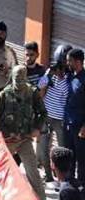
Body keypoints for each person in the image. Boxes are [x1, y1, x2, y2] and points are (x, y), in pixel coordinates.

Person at [0, 65, 48, 200]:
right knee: (1, 170)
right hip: (9, 140)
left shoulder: (32, 93)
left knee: (32, 170)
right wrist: (8, 132)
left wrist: (37, 128)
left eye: (23, 79)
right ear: (12, 78)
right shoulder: (4, 94)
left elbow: (42, 113)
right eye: (17, 79)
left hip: (24, 139)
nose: (20, 83)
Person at [37, 44, 71, 183]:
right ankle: (48, 176)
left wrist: (61, 77)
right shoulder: (51, 72)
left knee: (63, 149)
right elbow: (40, 86)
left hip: (59, 119)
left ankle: (64, 178)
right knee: (44, 147)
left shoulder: (69, 77)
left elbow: (67, 93)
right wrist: (49, 75)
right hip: (46, 116)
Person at [64, 48, 85, 184]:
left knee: (82, 158)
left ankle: (82, 186)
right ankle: (69, 183)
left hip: (80, 126)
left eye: (69, 60)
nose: (67, 63)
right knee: (69, 156)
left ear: (78, 61)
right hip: (68, 124)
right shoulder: (70, 76)